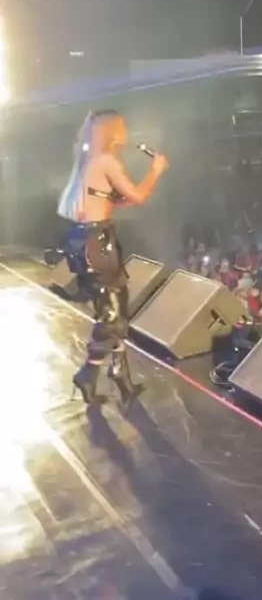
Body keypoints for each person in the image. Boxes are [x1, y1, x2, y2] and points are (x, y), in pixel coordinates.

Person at [58, 110, 169, 406]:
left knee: (115, 310)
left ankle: (121, 375)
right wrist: (156, 171)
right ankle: (89, 373)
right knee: (112, 318)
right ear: (111, 131)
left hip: (89, 238)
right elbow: (138, 197)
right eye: (121, 126)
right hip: (96, 240)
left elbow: (112, 199)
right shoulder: (106, 160)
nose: (126, 130)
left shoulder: (91, 160)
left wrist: (123, 196)